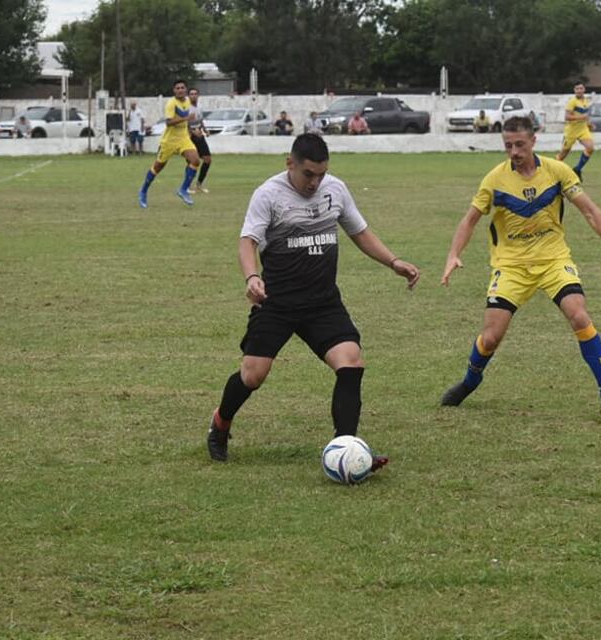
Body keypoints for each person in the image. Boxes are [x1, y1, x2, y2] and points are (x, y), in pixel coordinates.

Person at [205, 133, 421, 464]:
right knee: (253, 375)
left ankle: (345, 449)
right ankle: (220, 423)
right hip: (277, 303)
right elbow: (248, 241)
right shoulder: (269, 195)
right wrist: (252, 277)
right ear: (289, 163)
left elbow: (359, 232)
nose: (315, 182)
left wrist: (393, 261)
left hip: (322, 303)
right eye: (308, 174)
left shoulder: (335, 189)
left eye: (321, 174)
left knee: (351, 362)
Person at [439, 116, 601, 421]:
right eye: (508, 145)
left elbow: (590, 211)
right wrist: (454, 254)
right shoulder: (494, 179)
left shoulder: (557, 171)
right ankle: (470, 381)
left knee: (579, 315)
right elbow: (470, 220)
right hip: (511, 266)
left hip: (553, 261)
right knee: (491, 336)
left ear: (534, 140)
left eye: (520, 144)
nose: (514, 151)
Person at [137, 79, 201, 208]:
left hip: (183, 138)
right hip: (169, 141)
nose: (180, 90)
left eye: (182, 87)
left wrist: (193, 131)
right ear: (174, 91)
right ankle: (143, 191)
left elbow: (186, 122)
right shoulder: (171, 104)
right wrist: (186, 118)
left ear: (186, 90)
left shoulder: (188, 101)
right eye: (177, 88)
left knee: (195, 160)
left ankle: (183, 189)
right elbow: (169, 122)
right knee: (157, 167)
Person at [556, 83, 594, 179]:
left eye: (581, 88)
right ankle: (553, 172)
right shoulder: (572, 102)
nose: (579, 90)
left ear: (584, 89)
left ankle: (577, 169)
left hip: (583, 129)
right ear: (574, 90)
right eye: (577, 89)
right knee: (562, 155)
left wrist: (589, 124)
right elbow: (567, 117)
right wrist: (582, 117)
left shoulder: (586, 101)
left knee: (590, 148)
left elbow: (586, 115)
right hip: (571, 131)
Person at [187, 88, 212, 194]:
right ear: (188, 96)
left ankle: (199, 184)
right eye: (191, 94)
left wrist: (205, 130)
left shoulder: (199, 107)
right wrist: (193, 132)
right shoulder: (187, 108)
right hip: (189, 137)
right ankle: (186, 186)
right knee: (192, 162)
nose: (193, 96)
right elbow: (184, 124)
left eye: (195, 94)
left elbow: (200, 121)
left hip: (199, 135)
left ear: (198, 95)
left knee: (207, 159)